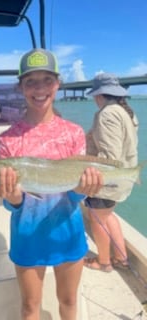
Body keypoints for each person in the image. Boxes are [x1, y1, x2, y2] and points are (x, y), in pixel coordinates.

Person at [0, 48, 103, 320]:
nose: (39, 88)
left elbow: (75, 197)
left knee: (69, 301)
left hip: (68, 232)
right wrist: (13, 198)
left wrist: (82, 190)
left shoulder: (73, 133)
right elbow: (12, 203)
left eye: (47, 80)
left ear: (58, 84)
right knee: (29, 307)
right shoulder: (8, 140)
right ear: (21, 87)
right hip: (28, 236)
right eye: (31, 82)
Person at [84, 72, 138, 272]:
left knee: (97, 218)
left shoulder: (107, 114)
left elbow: (109, 158)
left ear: (99, 95)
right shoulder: (126, 112)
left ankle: (104, 262)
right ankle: (121, 258)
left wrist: (80, 162)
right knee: (108, 215)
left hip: (106, 181)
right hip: (123, 177)